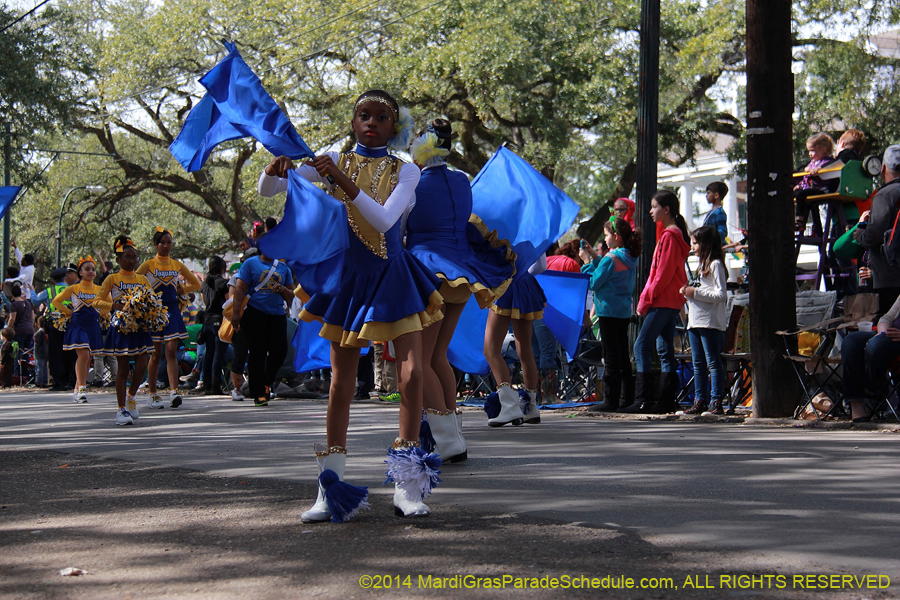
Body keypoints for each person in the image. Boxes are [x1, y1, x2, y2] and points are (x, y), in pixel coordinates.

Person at [259, 89, 443, 520]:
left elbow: (384, 219)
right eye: (364, 115)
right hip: (348, 280)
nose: (371, 122)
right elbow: (271, 190)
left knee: (413, 373)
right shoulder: (333, 159)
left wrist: (339, 180)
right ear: (354, 121)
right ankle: (330, 490)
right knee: (340, 382)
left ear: (394, 128)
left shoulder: (406, 170)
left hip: (394, 276)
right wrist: (274, 169)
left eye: (381, 117)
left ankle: (407, 486)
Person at [406, 118, 515, 463]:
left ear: (420, 149)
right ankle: (452, 432)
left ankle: (447, 439)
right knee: (439, 356)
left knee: (421, 361)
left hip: (429, 274)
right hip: (463, 274)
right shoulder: (460, 179)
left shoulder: (412, 183)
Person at [624, 190, 691, 414]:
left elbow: (661, 274)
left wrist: (645, 300)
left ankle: (644, 399)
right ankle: (665, 400)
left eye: (654, 207)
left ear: (666, 209)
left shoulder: (669, 236)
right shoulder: (674, 235)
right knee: (664, 349)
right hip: (672, 300)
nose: (651, 211)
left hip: (663, 300)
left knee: (641, 345)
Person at [579, 217, 641, 412]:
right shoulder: (629, 256)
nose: (605, 239)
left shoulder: (611, 258)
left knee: (610, 355)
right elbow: (608, 272)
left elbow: (594, 282)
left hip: (607, 311)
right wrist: (595, 256)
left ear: (616, 236)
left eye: (606, 235)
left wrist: (587, 261)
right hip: (623, 311)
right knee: (623, 355)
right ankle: (626, 398)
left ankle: (610, 399)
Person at [136, 228, 201, 409]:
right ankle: (152, 393)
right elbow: (135, 282)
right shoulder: (148, 264)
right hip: (154, 311)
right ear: (156, 244)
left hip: (172, 310)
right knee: (156, 354)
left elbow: (196, 284)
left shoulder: (176, 264)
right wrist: (144, 296)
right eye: (162, 243)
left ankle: (174, 392)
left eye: (169, 242)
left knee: (171, 351)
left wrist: (182, 290)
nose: (166, 246)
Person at [483, 255, 547, 426]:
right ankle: (530, 407)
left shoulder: (501, 234)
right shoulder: (533, 236)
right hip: (526, 284)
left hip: (505, 282)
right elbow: (542, 265)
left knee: (491, 350)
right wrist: (523, 273)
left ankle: (510, 406)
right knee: (524, 350)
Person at [98, 236, 155, 426]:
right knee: (122, 369)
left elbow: (152, 300)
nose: (132, 261)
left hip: (140, 326)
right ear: (118, 260)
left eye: (134, 257)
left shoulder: (142, 279)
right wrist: (114, 306)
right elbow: (96, 301)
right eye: (127, 257)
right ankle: (121, 409)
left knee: (142, 365)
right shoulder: (112, 278)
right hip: (121, 326)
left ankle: (131, 396)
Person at [231, 246, 294, 405]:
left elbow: (291, 295)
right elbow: (240, 289)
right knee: (257, 352)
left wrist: (282, 289)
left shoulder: (283, 268)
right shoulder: (250, 264)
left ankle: (266, 382)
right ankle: (258, 393)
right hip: (255, 312)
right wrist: (236, 313)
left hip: (277, 314)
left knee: (280, 352)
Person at [680, 226, 728, 415]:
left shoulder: (716, 265)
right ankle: (700, 400)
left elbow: (721, 295)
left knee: (713, 362)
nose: (693, 247)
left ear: (706, 244)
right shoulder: (700, 267)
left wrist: (696, 292)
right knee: (698, 363)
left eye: (695, 243)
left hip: (710, 322)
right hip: (695, 321)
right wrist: (687, 292)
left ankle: (716, 401)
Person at [51, 257, 112, 404]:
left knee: (88, 358)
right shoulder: (74, 288)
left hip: (92, 326)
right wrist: (68, 312)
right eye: (87, 269)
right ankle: (83, 389)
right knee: (83, 355)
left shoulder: (99, 289)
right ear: (80, 272)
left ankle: (77, 388)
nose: (91, 272)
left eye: (93, 269)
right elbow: (56, 301)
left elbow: (110, 303)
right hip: (78, 326)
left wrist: (100, 313)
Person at [854, 144, 900, 315]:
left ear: (883, 168)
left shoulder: (886, 195)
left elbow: (874, 235)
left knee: (888, 323)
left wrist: (860, 234)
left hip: (890, 277)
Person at [841, 291, 900, 422]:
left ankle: (870, 388)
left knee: (877, 345)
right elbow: (886, 319)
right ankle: (857, 408)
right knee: (851, 341)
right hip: (888, 336)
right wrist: (883, 333)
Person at [200, 256, 230, 395]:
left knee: (209, 353)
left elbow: (205, 301)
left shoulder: (205, 284)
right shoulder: (223, 283)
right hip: (219, 320)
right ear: (222, 268)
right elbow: (228, 303)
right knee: (218, 354)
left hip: (207, 321)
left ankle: (206, 385)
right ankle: (215, 386)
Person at [794, 133, 836, 232]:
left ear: (823, 149)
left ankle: (800, 220)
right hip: (809, 189)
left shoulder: (828, 162)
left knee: (801, 195)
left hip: (821, 189)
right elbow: (806, 176)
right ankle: (801, 223)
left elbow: (826, 173)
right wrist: (800, 185)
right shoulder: (813, 162)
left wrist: (818, 171)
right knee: (796, 194)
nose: (810, 154)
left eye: (812, 151)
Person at [7, 283, 33, 381]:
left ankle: (18, 377)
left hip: (19, 331)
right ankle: (26, 376)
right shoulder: (28, 304)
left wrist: (8, 329)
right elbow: (32, 318)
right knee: (26, 353)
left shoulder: (14, 305)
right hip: (29, 330)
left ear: (12, 294)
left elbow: (12, 319)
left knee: (18, 354)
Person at [33, 316, 49, 387]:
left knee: (39, 368)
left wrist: (34, 337)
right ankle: (44, 381)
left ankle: (38, 381)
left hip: (39, 352)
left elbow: (37, 342)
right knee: (44, 367)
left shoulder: (40, 332)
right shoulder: (46, 332)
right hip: (45, 351)